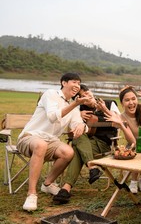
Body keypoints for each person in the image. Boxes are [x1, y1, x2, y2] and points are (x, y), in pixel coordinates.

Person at [16, 73, 90, 211]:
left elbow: (78, 125)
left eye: (79, 83)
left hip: (51, 141)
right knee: (40, 144)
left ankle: (48, 184)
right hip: (30, 137)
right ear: (63, 83)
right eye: (74, 82)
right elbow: (52, 116)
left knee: (68, 152)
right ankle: (31, 194)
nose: (77, 86)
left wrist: (82, 125)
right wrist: (75, 104)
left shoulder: (74, 107)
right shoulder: (50, 94)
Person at [52, 84, 120, 204]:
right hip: (85, 143)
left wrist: (104, 110)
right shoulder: (79, 109)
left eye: (87, 93)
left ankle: (66, 188)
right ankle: (91, 167)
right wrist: (79, 116)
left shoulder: (109, 103)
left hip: (102, 144)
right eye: (83, 96)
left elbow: (119, 122)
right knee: (79, 134)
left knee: (76, 149)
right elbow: (70, 129)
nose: (87, 97)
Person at [105, 85, 141, 194]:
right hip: (134, 145)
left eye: (133, 99)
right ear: (122, 103)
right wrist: (121, 125)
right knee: (136, 151)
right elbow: (132, 140)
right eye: (127, 100)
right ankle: (133, 181)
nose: (131, 103)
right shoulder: (121, 117)